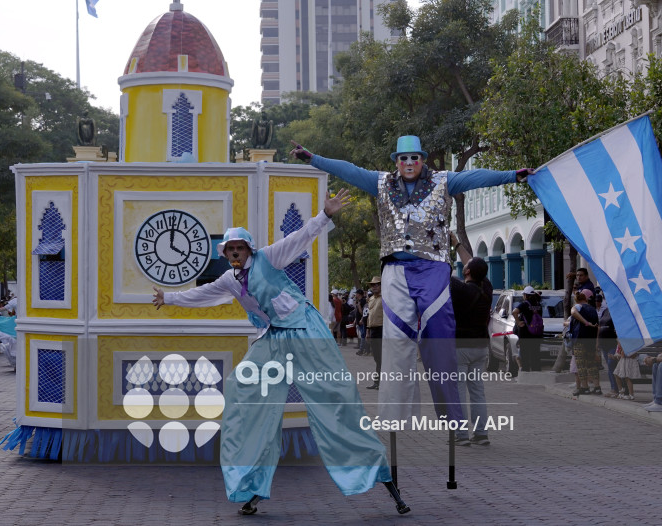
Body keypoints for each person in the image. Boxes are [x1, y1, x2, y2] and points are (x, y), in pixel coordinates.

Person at [151, 189, 410, 516]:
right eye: (230, 249)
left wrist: (325, 215)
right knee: (241, 389)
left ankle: (385, 482)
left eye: (239, 248)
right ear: (226, 253)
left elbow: (300, 238)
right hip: (274, 338)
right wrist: (170, 298)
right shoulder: (231, 280)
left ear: (248, 249)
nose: (234, 252)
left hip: (304, 332)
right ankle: (253, 484)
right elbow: (202, 294)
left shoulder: (269, 258)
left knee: (334, 402)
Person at [290, 136, 533, 423]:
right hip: (395, 270)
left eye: (414, 158)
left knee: (439, 336)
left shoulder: (443, 181)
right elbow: (349, 170)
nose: (408, 163)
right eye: (403, 158)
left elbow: (474, 177)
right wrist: (312, 158)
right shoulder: (380, 182)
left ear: (423, 160)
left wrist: (511, 176)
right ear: (396, 162)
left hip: (432, 269)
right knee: (396, 342)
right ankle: (396, 414)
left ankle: (451, 414)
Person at [449, 232, 492, 446]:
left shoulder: (460, 289)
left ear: (466, 272)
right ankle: (481, 434)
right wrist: (457, 244)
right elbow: (473, 265)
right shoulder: (487, 288)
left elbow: (440, 275)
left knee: (457, 391)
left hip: (460, 347)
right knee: (477, 391)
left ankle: (462, 435)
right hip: (481, 346)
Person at [569, 291, 601, 396]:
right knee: (592, 364)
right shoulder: (593, 309)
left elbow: (573, 312)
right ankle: (597, 387)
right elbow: (597, 327)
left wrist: (585, 322)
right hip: (590, 340)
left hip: (579, 339)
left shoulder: (578, 307)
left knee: (581, 365)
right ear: (586, 299)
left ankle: (585, 387)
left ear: (577, 300)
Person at [512, 286, 544, 372]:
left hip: (526, 333)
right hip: (537, 334)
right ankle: (536, 370)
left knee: (525, 353)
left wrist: (518, 322)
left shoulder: (525, 304)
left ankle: (526, 370)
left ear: (526, 295)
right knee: (535, 353)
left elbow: (514, 312)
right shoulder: (539, 305)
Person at [365, 277, 383, 390]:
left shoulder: (386, 298)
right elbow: (369, 315)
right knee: (377, 358)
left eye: (377, 284)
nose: (374, 287)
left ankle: (381, 382)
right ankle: (377, 382)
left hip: (383, 329)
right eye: (373, 285)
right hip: (373, 330)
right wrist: (367, 331)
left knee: (382, 358)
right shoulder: (371, 299)